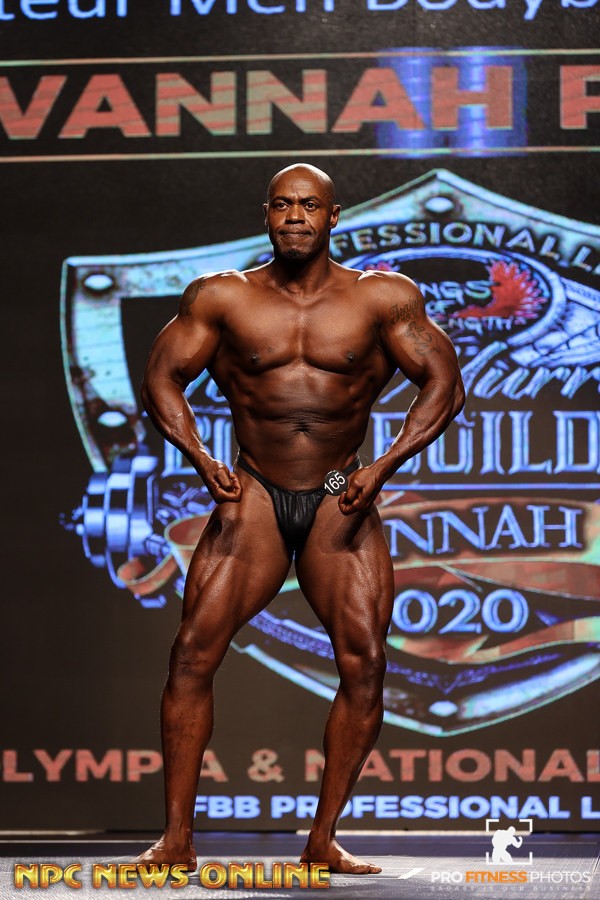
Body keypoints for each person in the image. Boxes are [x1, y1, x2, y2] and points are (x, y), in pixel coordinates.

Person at [137, 164, 465, 874]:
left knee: (366, 663)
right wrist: (199, 455)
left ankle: (322, 840)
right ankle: (176, 840)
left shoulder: (382, 298)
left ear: (332, 216)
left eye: (309, 205)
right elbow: (162, 375)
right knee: (191, 654)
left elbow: (444, 381)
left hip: (342, 485)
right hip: (253, 486)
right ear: (266, 214)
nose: (295, 217)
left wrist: (383, 467)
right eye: (283, 205)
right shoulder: (223, 296)